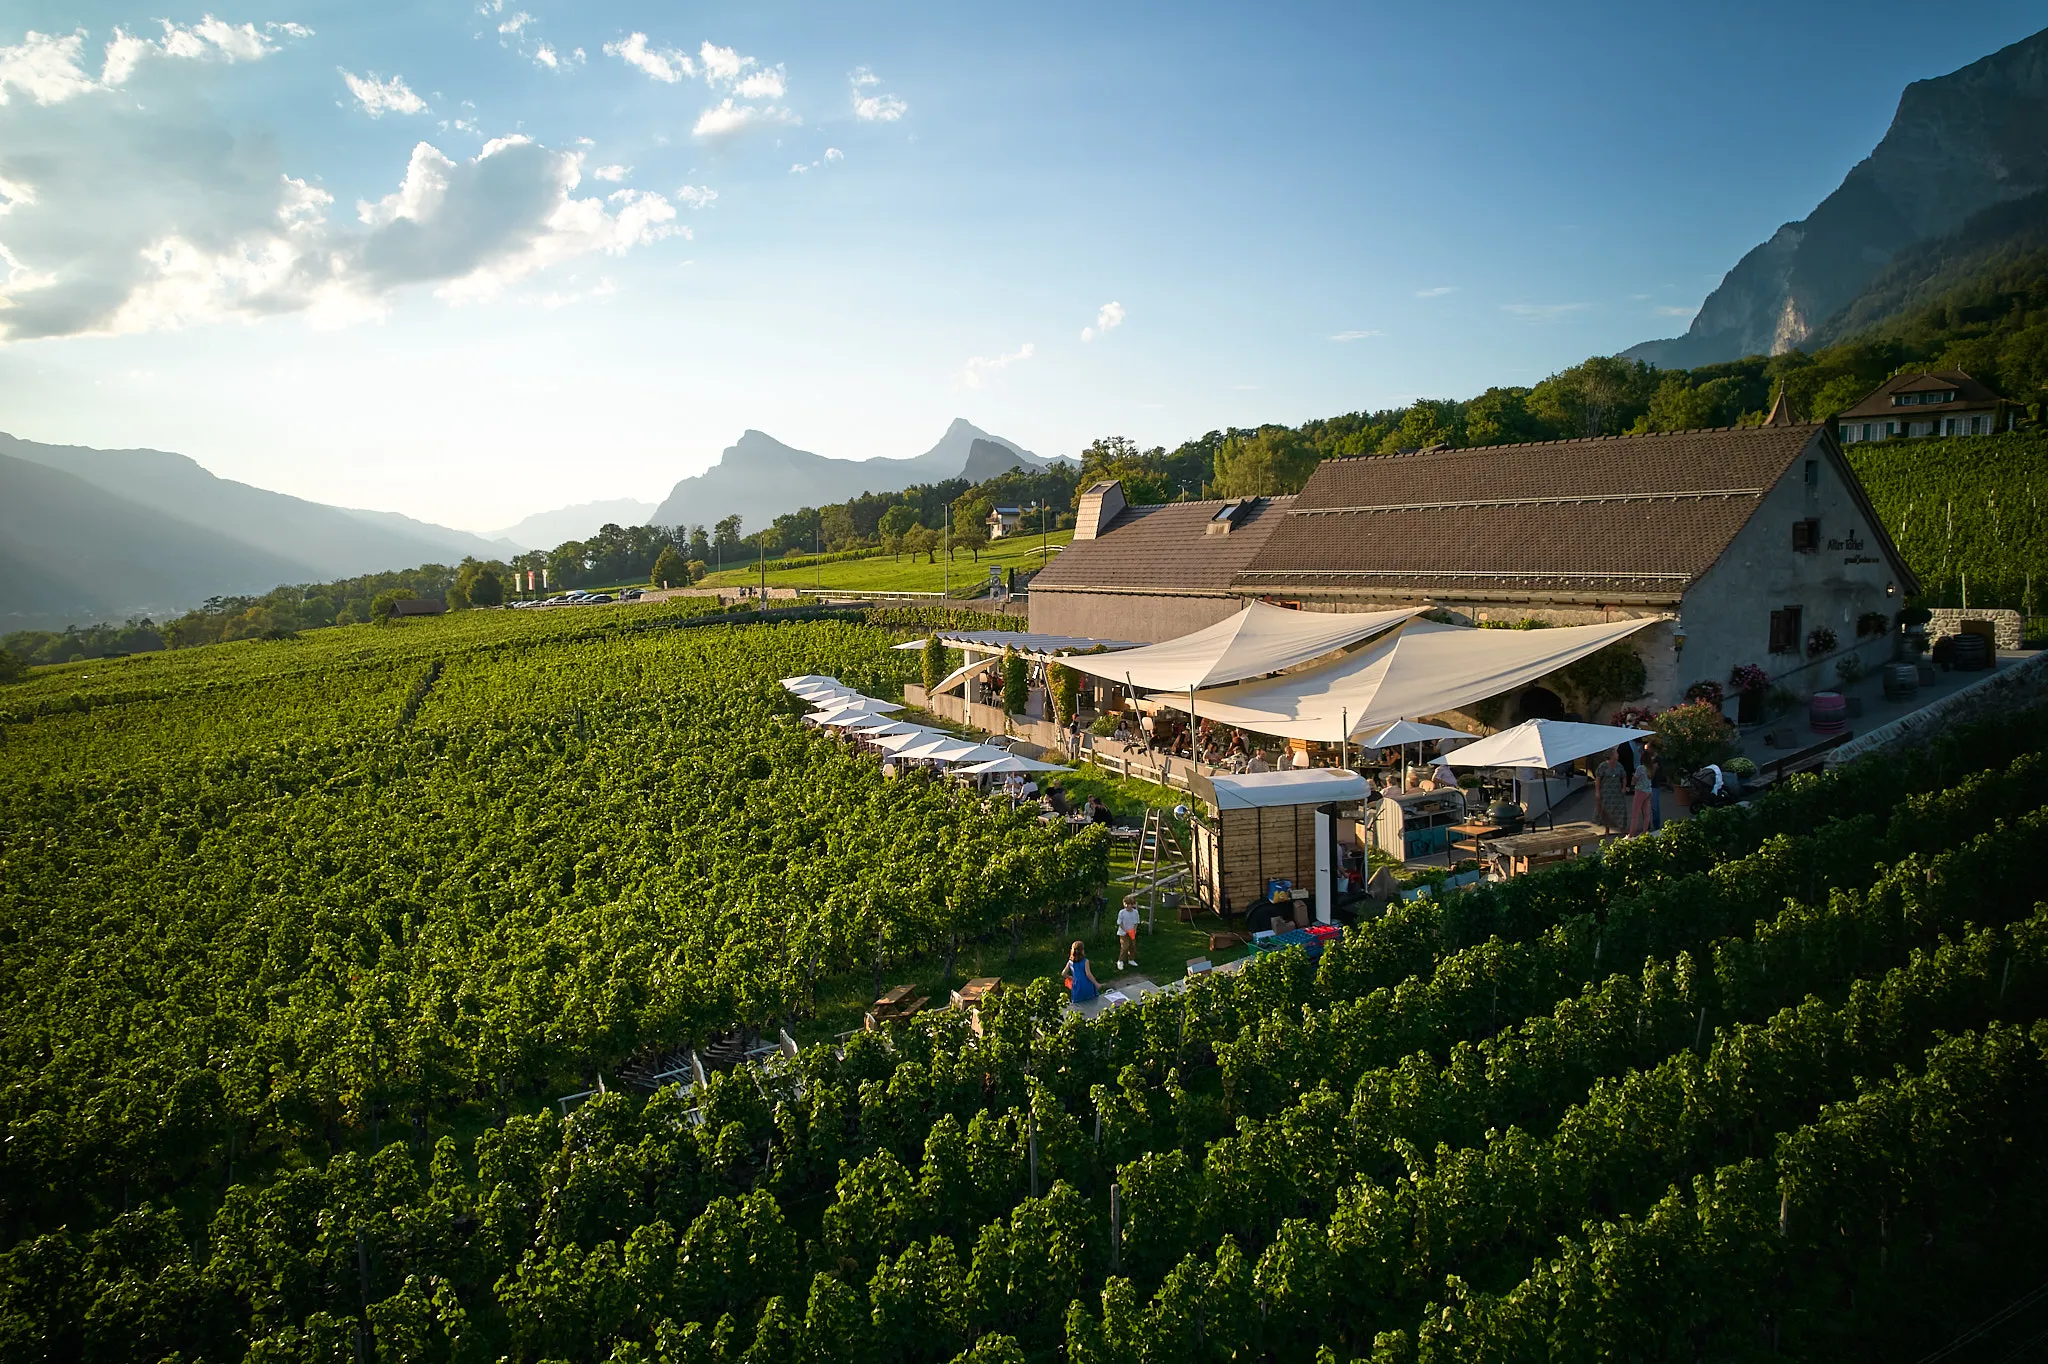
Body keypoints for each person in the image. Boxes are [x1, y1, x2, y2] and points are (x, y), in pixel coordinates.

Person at [1594, 747, 1629, 833]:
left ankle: (1622, 827)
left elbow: (1624, 776)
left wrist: (1624, 787)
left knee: (1621, 809)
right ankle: (1607, 828)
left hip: (1617, 792)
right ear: (1611, 755)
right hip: (1606, 792)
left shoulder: (1619, 765)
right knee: (1606, 810)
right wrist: (1597, 792)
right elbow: (1598, 779)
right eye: (1616, 753)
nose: (1618, 755)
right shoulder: (1603, 766)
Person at [1627, 748, 1654, 836]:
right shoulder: (1650, 768)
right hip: (1648, 790)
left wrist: (1632, 782)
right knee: (1646, 812)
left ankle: (1631, 833)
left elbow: (1634, 780)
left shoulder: (1640, 768)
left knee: (1635, 812)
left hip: (1640, 790)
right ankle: (1645, 831)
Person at [1115, 900, 1141, 971]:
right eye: (1126, 904)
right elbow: (1119, 923)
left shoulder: (1135, 912)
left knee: (1132, 946)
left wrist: (1134, 930)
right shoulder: (1122, 912)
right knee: (1125, 947)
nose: (1127, 906)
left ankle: (1131, 959)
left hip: (1132, 932)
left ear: (1132, 905)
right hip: (1123, 932)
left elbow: (1136, 922)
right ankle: (1120, 961)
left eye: (1129, 904)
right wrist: (1125, 930)